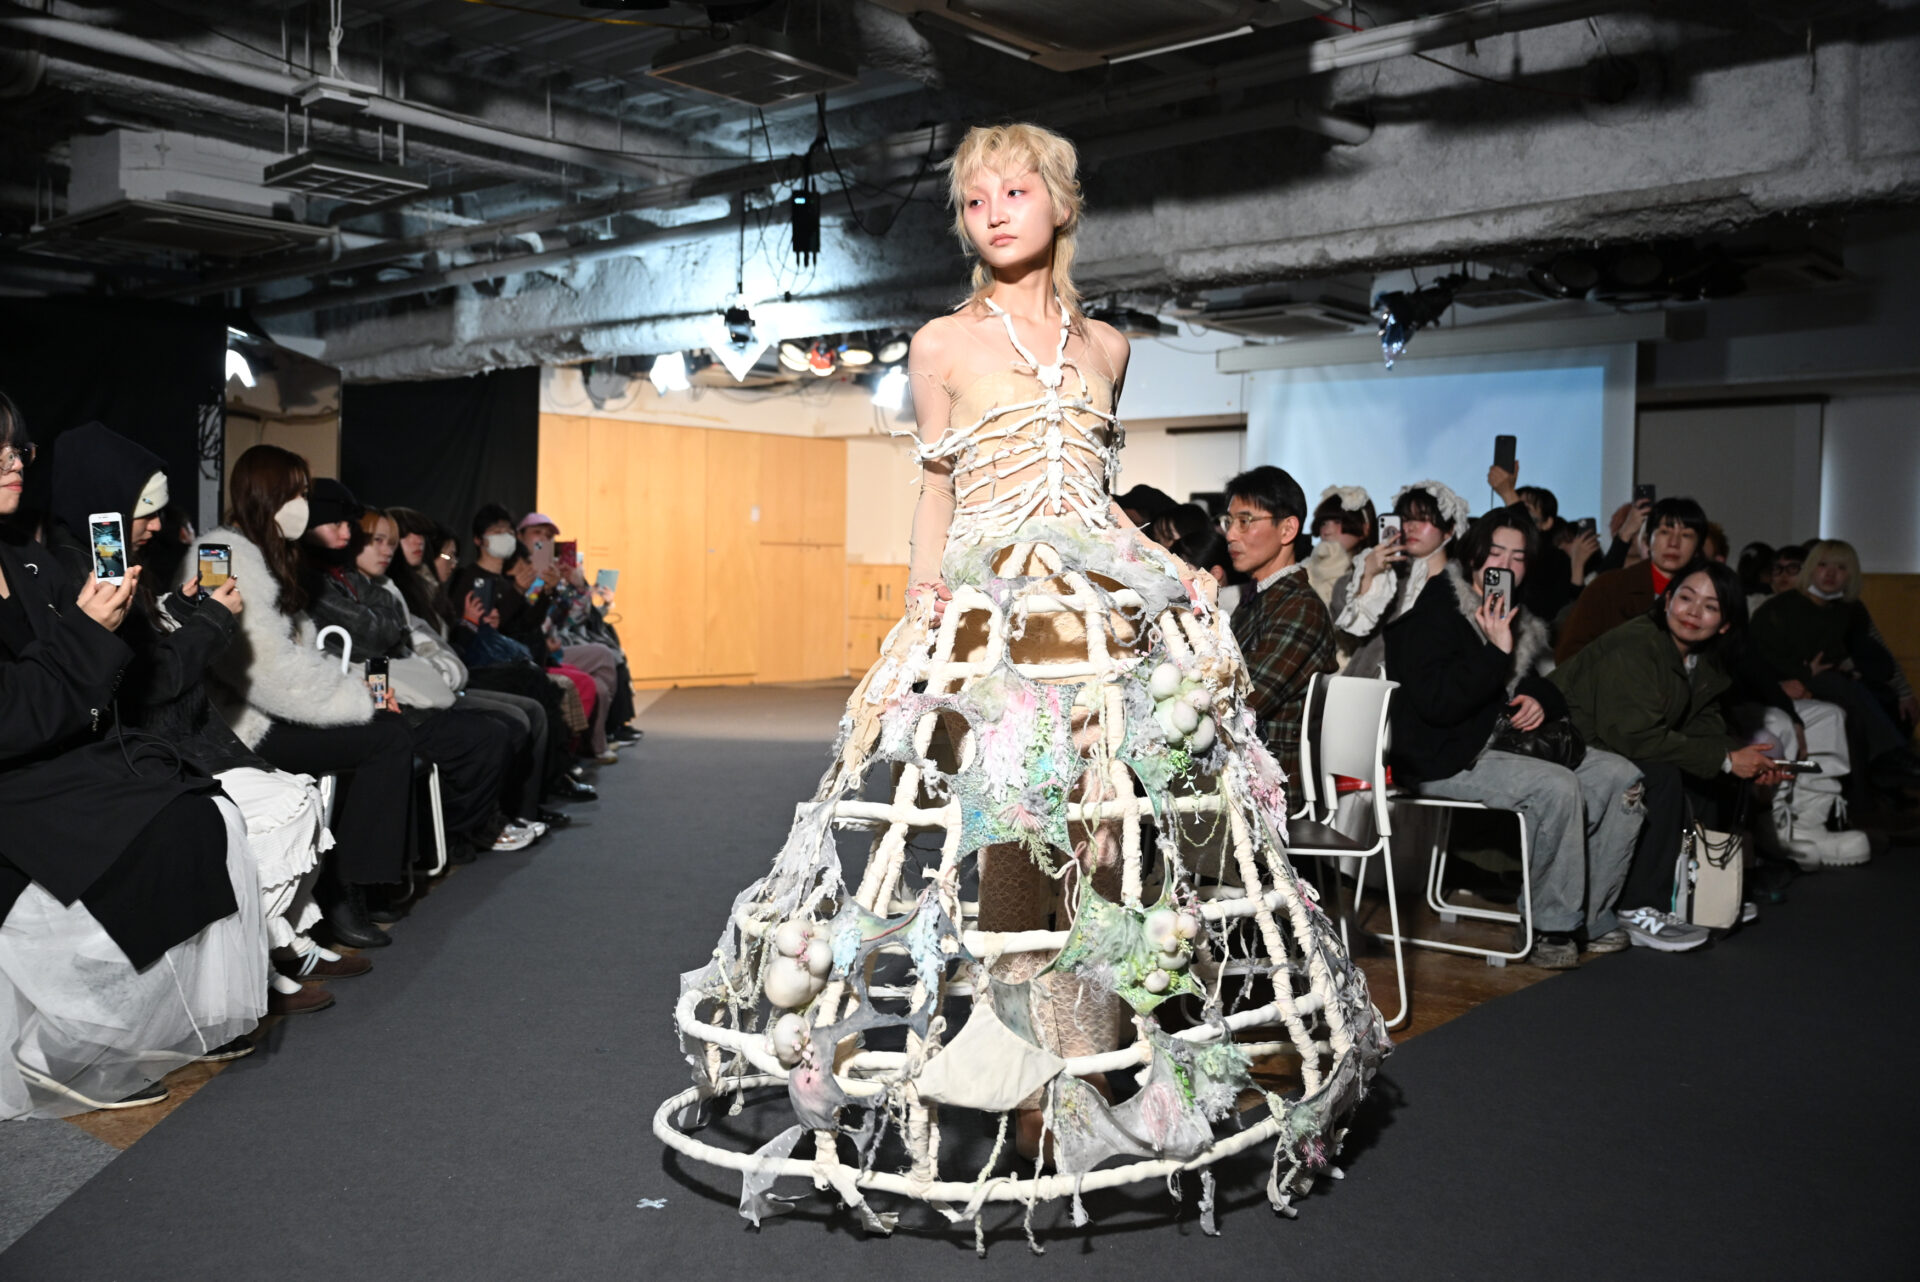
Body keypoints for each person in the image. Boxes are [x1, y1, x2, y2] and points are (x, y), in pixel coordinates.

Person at [661, 121, 1385, 1223]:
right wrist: (921, 607)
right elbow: (938, 491)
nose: (993, 212)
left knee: (1106, 836)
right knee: (1007, 828)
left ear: (1060, 203)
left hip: (1092, 616)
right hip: (994, 619)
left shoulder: (1109, 349)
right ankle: (1007, 1064)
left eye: (1015, 191)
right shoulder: (941, 344)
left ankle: (1087, 1064)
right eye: (975, 198)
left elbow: (1095, 498)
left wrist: (1171, 572)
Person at [0, 397, 265, 1116]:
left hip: (61, 754)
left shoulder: (26, 560)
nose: (14, 461)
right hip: (18, 777)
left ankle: (167, 1025)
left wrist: (135, 620)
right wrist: (94, 632)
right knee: (168, 829)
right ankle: (61, 1050)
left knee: (205, 814)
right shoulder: (49, 558)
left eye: (18, 447)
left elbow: (108, 677)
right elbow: (22, 708)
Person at [46, 423, 349, 1015]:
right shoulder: (78, 570)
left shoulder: (109, 561)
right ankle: (257, 957)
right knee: (282, 808)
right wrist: (211, 619)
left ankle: (273, 945)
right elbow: (146, 678)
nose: (158, 525)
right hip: (152, 752)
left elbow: (143, 645)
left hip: (180, 739)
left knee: (295, 800)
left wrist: (183, 607)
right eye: (146, 511)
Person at [1383, 506, 1646, 969]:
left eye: (1518, 557)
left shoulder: (1515, 613)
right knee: (1556, 786)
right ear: (1473, 554)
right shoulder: (1435, 610)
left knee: (1620, 776)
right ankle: (1549, 926)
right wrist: (1494, 650)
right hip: (1443, 756)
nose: (1505, 564)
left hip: (1502, 743)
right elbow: (1437, 705)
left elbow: (1540, 681)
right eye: (1496, 552)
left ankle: (1590, 917)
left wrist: (1540, 699)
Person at [189, 447, 415, 949]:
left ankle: (365, 881)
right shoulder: (219, 554)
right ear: (266, 495)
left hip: (274, 711)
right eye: (295, 493)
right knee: (386, 740)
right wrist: (356, 701)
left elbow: (298, 653)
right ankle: (346, 891)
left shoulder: (268, 553)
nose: (303, 505)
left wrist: (362, 693)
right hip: (240, 727)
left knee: (391, 729)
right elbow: (262, 671)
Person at [1553, 563, 1783, 947]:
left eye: (1710, 606)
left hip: (1617, 745)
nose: (1693, 612)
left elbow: (1703, 725)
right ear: (1667, 601)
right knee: (1661, 774)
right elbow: (1635, 737)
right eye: (1686, 598)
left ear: (1725, 624)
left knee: (1712, 773)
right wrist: (1727, 759)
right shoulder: (1636, 644)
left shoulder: (1700, 658)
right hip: (1569, 747)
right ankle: (1638, 907)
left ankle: (1695, 891)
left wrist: (1742, 759)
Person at [1748, 539, 1920, 796]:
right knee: (1837, 686)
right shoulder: (1779, 608)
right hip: (1784, 682)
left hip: (1831, 682)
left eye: (1841, 567)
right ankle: (1891, 758)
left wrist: (1902, 691)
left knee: (1868, 696)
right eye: (1822, 565)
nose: (1830, 573)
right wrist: (1805, 674)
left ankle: (1881, 780)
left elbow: (1873, 654)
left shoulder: (1848, 609)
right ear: (1810, 568)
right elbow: (1757, 660)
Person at [1220, 465, 1337, 780]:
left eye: (1245, 521)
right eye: (1229, 522)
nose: (1230, 534)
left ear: (1287, 530)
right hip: (1240, 772)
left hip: (1271, 788)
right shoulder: (1259, 599)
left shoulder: (1300, 607)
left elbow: (1241, 703)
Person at [1555, 496, 1709, 663]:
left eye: (1686, 535)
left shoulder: (1708, 596)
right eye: (1665, 532)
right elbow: (1569, 654)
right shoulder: (1610, 586)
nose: (1674, 543)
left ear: (1697, 547)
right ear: (1648, 540)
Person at [1335, 479, 1472, 652]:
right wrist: (1368, 576)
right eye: (1406, 519)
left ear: (1449, 530)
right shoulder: (1389, 578)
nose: (1411, 527)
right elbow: (1348, 635)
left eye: (1423, 519)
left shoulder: (1465, 589)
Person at [1487, 465, 1579, 624]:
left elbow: (1535, 549)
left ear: (1547, 523)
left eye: (1526, 509)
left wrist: (1509, 494)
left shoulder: (1556, 559)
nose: (1517, 516)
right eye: (1516, 508)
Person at [1305, 484, 1375, 613]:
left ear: (1365, 528)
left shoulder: (1372, 572)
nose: (1327, 530)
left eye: (1338, 522)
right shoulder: (1304, 568)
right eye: (1323, 523)